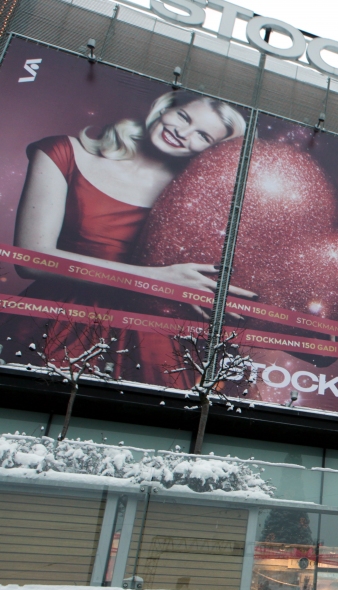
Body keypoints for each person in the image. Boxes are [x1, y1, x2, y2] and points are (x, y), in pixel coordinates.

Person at [1, 90, 252, 379]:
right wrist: (157, 278)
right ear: (165, 108)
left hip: (150, 338)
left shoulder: (196, 197)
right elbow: (31, 260)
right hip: (56, 320)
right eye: (183, 117)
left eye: (203, 136)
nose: (183, 133)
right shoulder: (65, 152)